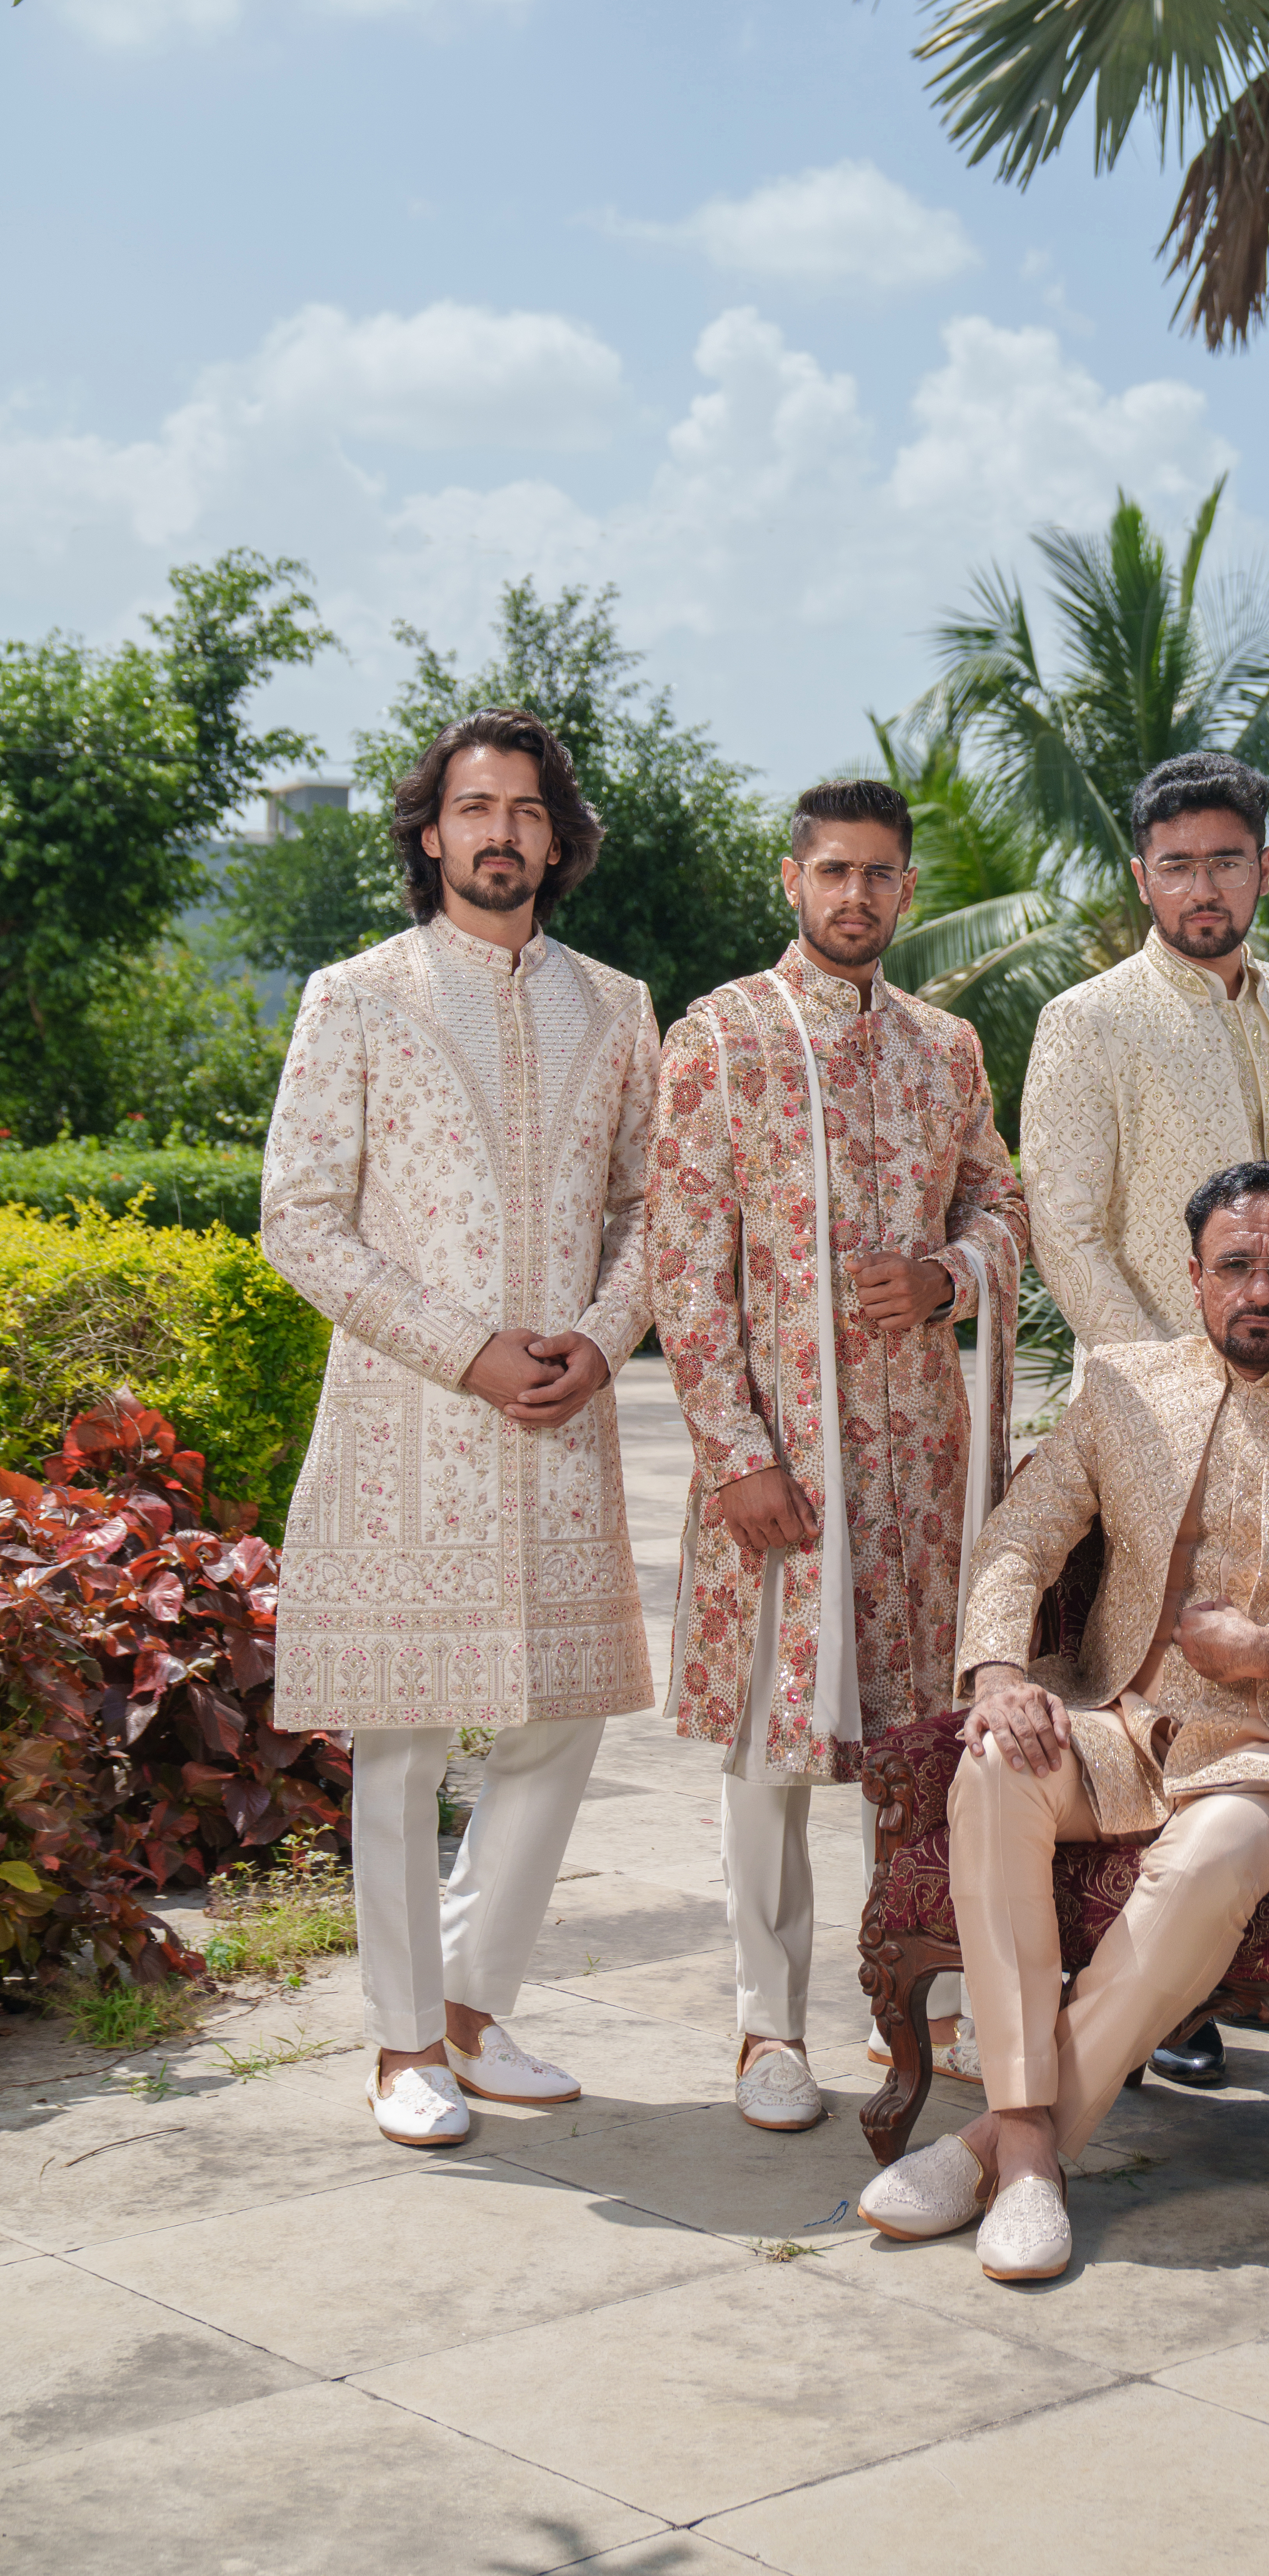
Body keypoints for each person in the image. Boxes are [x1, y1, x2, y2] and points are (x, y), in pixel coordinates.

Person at [854, 1158, 1269, 2281]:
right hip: (1115, 1718)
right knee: (990, 1767)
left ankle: (994, 2150)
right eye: (1235, 1265)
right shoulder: (1121, 1389)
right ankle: (1030, 2148)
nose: (1260, 1289)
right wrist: (997, 1674)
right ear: (1194, 1277)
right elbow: (1017, 1542)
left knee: (1207, 1864)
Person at [263, 712, 660, 2149]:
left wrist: (601, 1340)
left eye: (528, 810)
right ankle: (401, 2041)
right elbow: (298, 1220)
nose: (502, 832)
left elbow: (651, 1208)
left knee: (561, 1718)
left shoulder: (618, 1006)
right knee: (403, 1738)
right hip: (406, 1424)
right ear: (430, 832)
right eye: (475, 807)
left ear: (558, 839)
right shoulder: (356, 996)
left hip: (560, 1416)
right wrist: (463, 1350)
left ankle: (478, 2011)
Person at [649, 776, 1027, 2135]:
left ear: (906, 890)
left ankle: (922, 2004)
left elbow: (1002, 1202)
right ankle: (769, 2025)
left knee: (920, 1742)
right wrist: (735, 1453)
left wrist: (947, 1278)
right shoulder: (721, 1038)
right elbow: (684, 1265)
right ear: (792, 882)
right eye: (833, 872)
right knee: (775, 1745)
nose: (855, 895)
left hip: (923, 1462)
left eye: (878, 874)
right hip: (787, 1462)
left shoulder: (945, 1048)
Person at [1020, 747, 1269, 2086]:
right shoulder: (1089, 1020)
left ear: (1264, 869)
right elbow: (1067, 1225)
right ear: (1141, 878)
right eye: (1176, 865)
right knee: (1156, 1686)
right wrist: (1167, 1392)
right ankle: (1156, 2002)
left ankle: (1239, 1946)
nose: (1203, 887)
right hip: (1151, 1415)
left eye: (1226, 860)